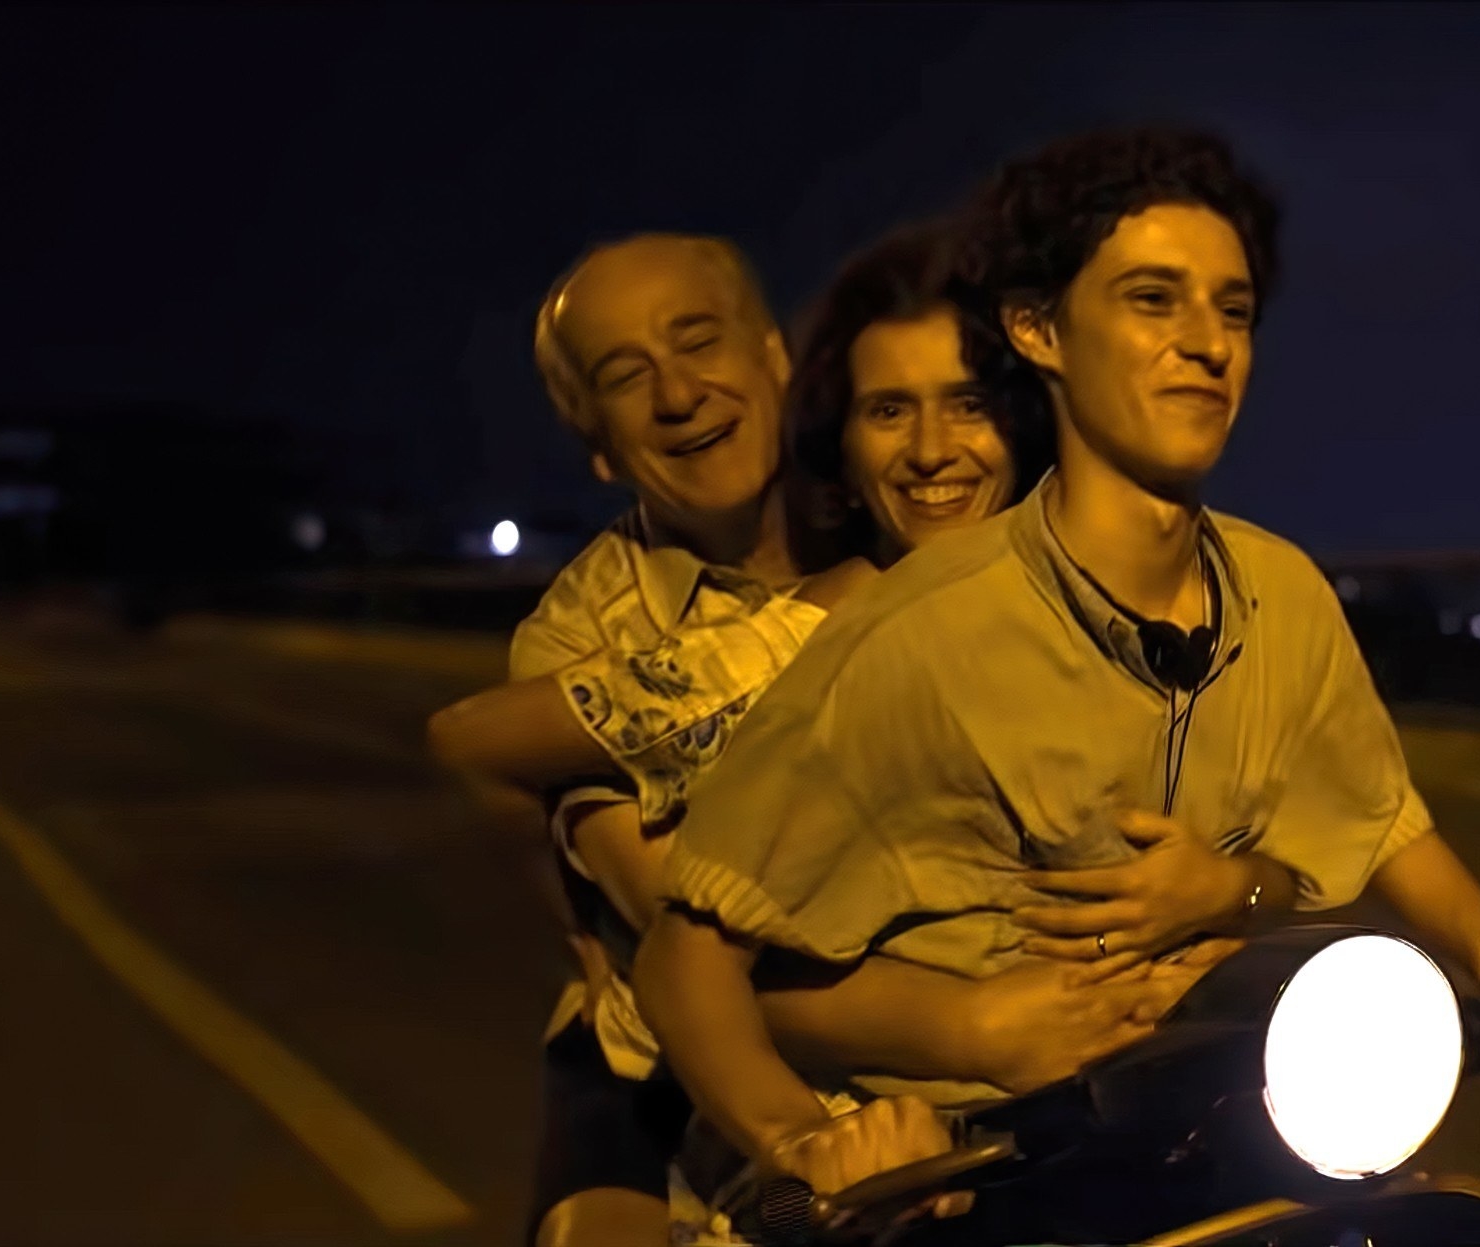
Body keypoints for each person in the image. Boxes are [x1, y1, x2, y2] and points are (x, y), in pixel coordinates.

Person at [633, 128, 1480, 1207]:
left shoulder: (1282, 592)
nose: (1206, 342)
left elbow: (1380, 815)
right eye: (1152, 299)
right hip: (965, 1177)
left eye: (1231, 309)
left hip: (1202, 1132)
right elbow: (685, 958)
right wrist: (814, 1141)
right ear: (1039, 329)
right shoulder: (920, 635)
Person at [430, 229, 1194, 1246]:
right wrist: (965, 1021)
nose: (678, 392)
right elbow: (700, 933)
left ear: (777, 356)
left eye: (698, 340)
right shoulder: (585, 636)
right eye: (626, 374)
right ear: (598, 442)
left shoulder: (903, 496)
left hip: (1005, 1058)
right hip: (685, 1072)